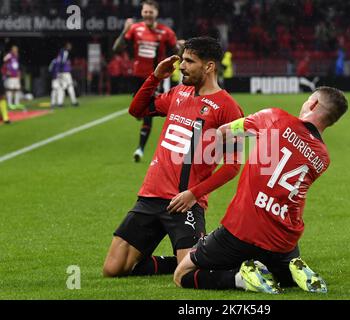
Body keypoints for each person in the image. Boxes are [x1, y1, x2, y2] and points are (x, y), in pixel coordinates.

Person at [174, 86, 348, 294]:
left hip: (243, 228)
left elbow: (223, 131)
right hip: (285, 239)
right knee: (273, 264)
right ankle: (291, 272)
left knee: (182, 273)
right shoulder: (323, 158)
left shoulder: (274, 117)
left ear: (313, 104)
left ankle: (240, 279)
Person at [103, 37, 244, 278]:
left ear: (209, 66)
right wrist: (155, 76)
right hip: (150, 195)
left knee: (189, 274)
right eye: (183, 60)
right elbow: (136, 110)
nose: (182, 66)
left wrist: (194, 194)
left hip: (184, 201)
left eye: (189, 61)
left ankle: (208, 254)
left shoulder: (230, 108)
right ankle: (184, 258)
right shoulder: (178, 93)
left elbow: (232, 167)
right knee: (113, 269)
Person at [113, 0, 179, 163]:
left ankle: (140, 149)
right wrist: (124, 31)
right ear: (142, 13)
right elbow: (117, 49)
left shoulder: (166, 32)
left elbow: (176, 50)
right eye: (145, 12)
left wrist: (181, 46)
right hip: (138, 77)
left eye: (151, 12)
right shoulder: (135, 29)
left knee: (147, 112)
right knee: (138, 111)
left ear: (156, 13)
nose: (148, 15)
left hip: (157, 77)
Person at [55, 42, 79, 107]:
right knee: (69, 86)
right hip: (65, 73)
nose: (70, 47)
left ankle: (60, 103)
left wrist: (58, 72)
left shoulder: (61, 52)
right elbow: (62, 62)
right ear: (66, 46)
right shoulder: (65, 52)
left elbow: (58, 62)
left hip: (61, 72)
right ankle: (74, 102)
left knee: (62, 88)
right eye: (69, 46)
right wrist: (61, 69)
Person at [2, 45, 24, 110]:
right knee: (10, 89)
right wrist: (6, 71)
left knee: (17, 89)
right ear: (12, 50)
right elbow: (4, 61)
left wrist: (18, 73)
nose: (16, 51)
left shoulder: (16, 56)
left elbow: (16, 66)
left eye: (16, 50)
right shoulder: (9, 55)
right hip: (10, 76)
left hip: (16, 76)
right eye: (14, 49)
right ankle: (9, 103)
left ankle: (17, 103)